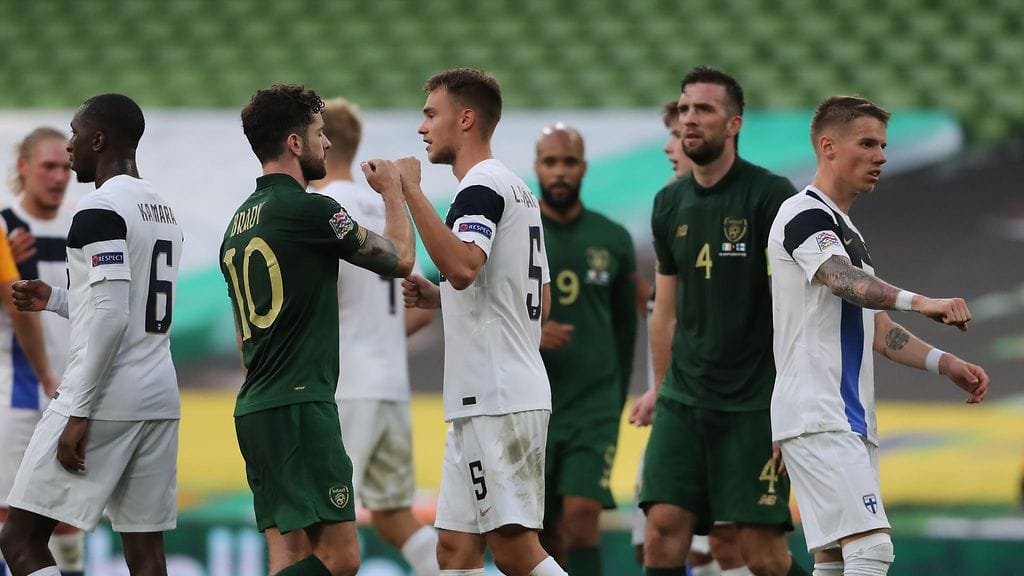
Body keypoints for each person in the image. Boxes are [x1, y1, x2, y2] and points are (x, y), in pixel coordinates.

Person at [768, 95, 990, 576]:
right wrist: (922, 301)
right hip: (818, 412)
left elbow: (878, 329)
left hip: (846, 417)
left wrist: (945, 363)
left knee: (834, 558)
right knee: (871, 548)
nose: (881, 156)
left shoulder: (847, 231)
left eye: (883, 146)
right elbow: (840, 279)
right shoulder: (802, 214)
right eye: (868, 144)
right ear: (828, 147)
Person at [222, 84, 415, 576]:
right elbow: (401, 259)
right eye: (318, 133)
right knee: (340, 558)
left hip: (256, 406)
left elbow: (244, 343)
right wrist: (395, 193)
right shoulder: (312, 210)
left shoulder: (237, 225)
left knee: (289, 556)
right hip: (303, 405)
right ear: (294, 143)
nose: (326, 143)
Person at [628, 66, 808, 576]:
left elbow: (793, 306)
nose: (689, 119)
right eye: (685, 108)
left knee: (760, 552)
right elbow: (664, 311)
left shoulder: (770, 195)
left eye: (704, 109)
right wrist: (662, 388)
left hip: (752, 403)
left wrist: (790, 402)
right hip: (684, 400)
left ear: (734, 124)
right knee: (662, 531)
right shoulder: (668, 203)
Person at [0, 93, 183, 576]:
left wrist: (78, 409)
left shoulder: (99, 207)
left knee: (20, 538)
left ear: (98, 140)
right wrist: (57, 298)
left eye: (75, 134)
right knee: (146, 553)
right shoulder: (163, 208)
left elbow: (110, 315)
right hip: (160, 394)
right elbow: (129, 301)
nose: (70, 146)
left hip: (106, 395)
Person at [400, 67, 566, 576]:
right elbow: (534, 298)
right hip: (484, 399)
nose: (422, 127)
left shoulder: (481, 185)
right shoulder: (515, 189)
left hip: (499, 398)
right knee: (454, 550)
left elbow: (464, 266)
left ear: (466, 119)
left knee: (515, 552)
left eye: (431, 114)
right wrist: (441, 298)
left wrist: (410, 191)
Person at [309, 97, 439, 576]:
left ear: (320, 141)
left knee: (317, 526)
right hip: (390, 386)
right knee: (393, 516)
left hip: (345, 387)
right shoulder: (385, 209)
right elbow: (418, 312)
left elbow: (316, 298)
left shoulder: (323, 210)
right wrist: (378, 332)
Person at [631, 101, 747, 576]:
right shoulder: (670, 207)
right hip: (675, 404)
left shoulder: (735, 212)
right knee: (659, 541)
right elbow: (668, 313)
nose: (668, 147)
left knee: (730, 544)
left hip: (716, 405)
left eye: (677, 137)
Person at [532, 123, 637, 576]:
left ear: (584, 168)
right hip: (533, 404)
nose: (560, 172)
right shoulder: (518, 232)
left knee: (580, 518)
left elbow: (627, 326)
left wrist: (614, 400)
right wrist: (532, 333)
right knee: (541, 533)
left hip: (593, 405)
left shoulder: (613, 238)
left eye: (569, 162)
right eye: (550, 162)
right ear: (536, 167)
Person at [0, 128, 81, 576]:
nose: (59, 177)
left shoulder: (80, 228)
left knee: (67, 516)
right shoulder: (4, 227)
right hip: (17, 392)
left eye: (65, 167)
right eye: (48, 166)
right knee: (10, 512)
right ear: (23, 167)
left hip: (71, 394)